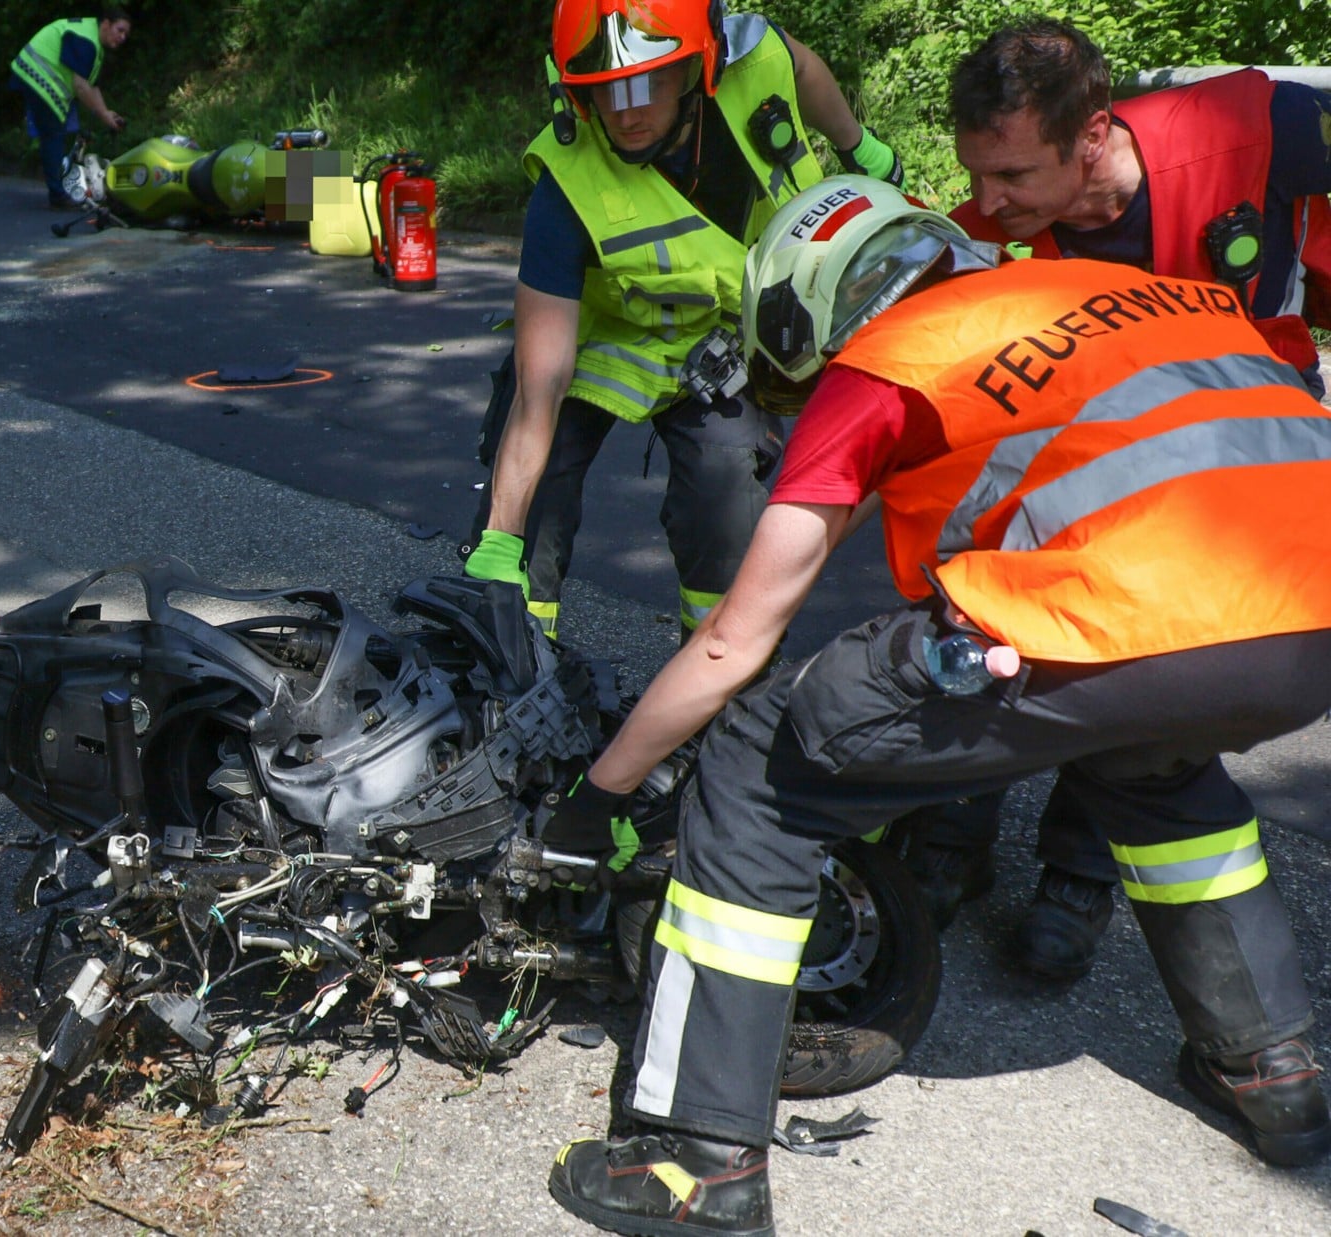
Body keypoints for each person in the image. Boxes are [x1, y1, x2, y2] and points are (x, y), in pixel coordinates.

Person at [540, 173, 1331, 1235]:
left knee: (757, 760)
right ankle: (1271, 1073)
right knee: (1148, 760)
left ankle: (696, 1159)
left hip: (1142, 612)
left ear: (808, 309)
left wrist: (604, 792)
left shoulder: (886, 361)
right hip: (1298, 620)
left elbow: (734, 638)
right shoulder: (1112, 288)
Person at [903, 19, 1331, 983]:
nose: (986, 200)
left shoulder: (1257, 129)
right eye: (976, 174)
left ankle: (1077, 876)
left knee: (1150, 647)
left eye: (1011, 177)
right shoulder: (983, 240)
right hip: (1095, 459)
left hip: (1242, 457)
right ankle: (953, 822)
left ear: (1093, 136)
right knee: (984, 567)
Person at [465, 0, 903, 645]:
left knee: (723, 506)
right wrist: (503, 533)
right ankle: (519, 666)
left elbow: (804, 68)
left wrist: (856, 146)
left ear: (702, 67)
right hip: (604, 339)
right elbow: (540, 388)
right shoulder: (566, 188)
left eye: (647, 85)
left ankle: (713, 681)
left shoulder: (751, 60)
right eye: (603, 94)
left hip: (725, 338)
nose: (625, 113)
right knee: (534, 511)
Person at [10, 8, 132, 209]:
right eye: (120, 30)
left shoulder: (93, 42)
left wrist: (106, 113)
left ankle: (65, 184)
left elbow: (92, 86)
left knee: (64, 133)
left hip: (37, 77)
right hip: (37, 77)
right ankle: (58, 195)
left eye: (126, 34)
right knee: (53, 135)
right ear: (106, 24)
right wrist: (102, 114)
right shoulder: (87, 41)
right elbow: (81, 86)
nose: (122, 37)